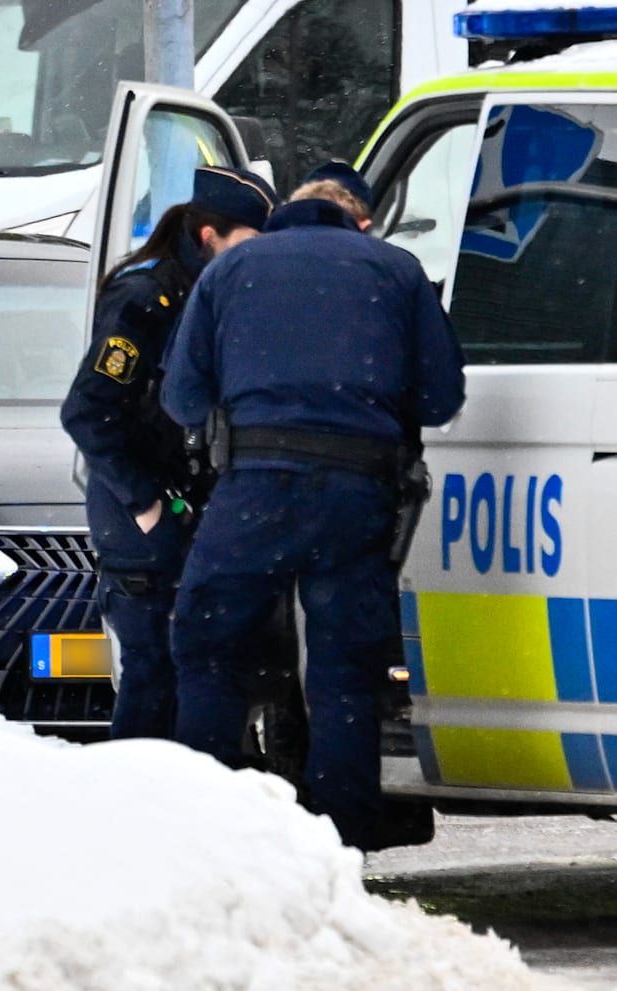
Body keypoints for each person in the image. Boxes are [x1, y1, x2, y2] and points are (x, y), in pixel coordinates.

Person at [159, 162, 466, 851]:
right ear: (361, 221)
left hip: (255, 490)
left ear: (285, 213)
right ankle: (342, 842)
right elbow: (441, 397)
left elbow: (181, 397)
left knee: (210, 650)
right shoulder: (398, 270)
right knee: (345, 671)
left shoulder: (230, 270)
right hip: (358, 494)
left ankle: (201, 832)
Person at [61, 165, 276, 741]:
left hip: (191, 505)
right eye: (249, 242)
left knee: (199, 670)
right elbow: (88, 411)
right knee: (153, 670)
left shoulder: (219, 291)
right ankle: (139, 788)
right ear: (209, 237)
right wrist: (145, 500)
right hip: (142, 511)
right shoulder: (146, 297)